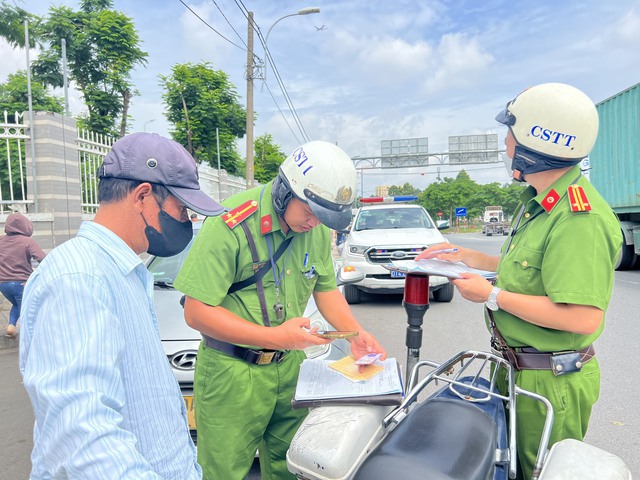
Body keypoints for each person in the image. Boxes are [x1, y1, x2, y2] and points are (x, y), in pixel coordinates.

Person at [417, 83, 622, 479]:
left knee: (536, 471)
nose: (505, 142)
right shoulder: (539, 204)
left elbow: (582, 319)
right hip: (519, 368)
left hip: (550, 381)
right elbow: (527, 273)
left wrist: (491, 295)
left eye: (511, 133)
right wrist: (463, 257)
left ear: (536, 145)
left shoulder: (580, 218)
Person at [175, 140, 387, 480]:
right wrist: (273, 336)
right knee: (222, 473)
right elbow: (196, 312)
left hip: (290, 370)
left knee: (293, 466)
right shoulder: (231, 223)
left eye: (323, 217)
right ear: (284, 192)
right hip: (231, 374)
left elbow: (326, 289)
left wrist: (356, 336)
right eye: (310, 212)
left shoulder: (315, 230)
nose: (315, 224)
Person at [19, 132, 225, 479]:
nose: (187, 221)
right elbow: (85, 434)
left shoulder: (125, 271)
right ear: (143, 196)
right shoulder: (80, 278)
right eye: (182, 209)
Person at [0, 212, 46, 337]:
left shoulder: (1, 241)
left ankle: (11, 326)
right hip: (22, 283)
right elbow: (42, 258)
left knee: (17, 305)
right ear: (26, 226)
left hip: (3, 284)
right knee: (28, 308)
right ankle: (32, 335)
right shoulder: (27, 242)